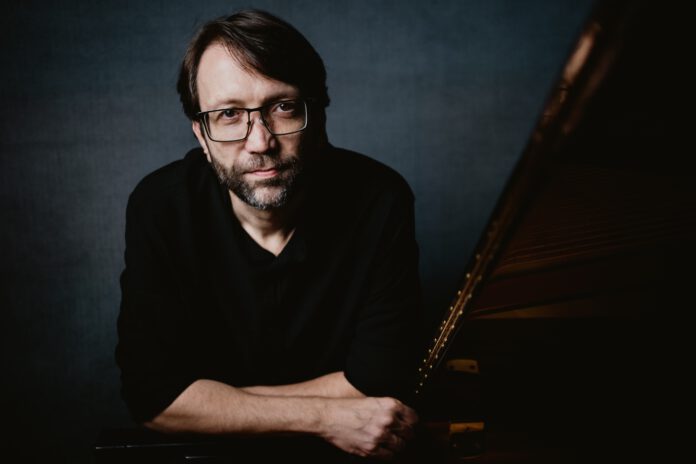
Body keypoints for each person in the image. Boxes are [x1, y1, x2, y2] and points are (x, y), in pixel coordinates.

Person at [116, 9, 422, 461]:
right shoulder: (160, 207)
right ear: (201, 135)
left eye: (282, 107)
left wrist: (214, 404)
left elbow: (381, 381)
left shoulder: (380, 199)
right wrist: (326, 417)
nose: (260, 142)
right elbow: (153, 399)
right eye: (228, 114)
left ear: (317, 114)